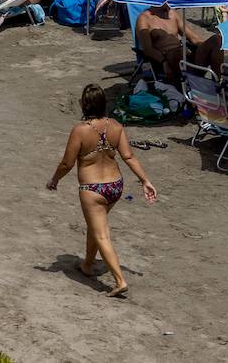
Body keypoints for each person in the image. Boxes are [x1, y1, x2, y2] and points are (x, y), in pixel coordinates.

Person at [46, 84, 157, 299]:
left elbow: (67, 163)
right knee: (95, 226)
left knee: (102, 234)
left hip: (93, 188)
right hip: (115, 185)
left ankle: (119, 280)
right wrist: (145, 181)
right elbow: (129, 157)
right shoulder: (116, 126)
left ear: (85, 104)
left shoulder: (80, 130)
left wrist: (54, 179)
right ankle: (87, 264)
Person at [135, 3, 223, 81]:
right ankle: (194, 82)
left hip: (185, 57)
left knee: (216, 40)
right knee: (177, 52)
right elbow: (148, 49)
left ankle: (218, 82)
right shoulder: (144, 19)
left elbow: (194, 39)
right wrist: (164, 62)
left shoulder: (172, 14)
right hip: (167, 58)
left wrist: (206, 49)